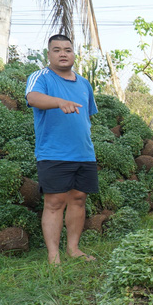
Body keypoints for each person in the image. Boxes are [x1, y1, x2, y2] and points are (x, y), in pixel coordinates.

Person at [25, 34, 99, 265]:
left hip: (84, 154)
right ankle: (53, 256)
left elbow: (87, 116)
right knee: (55, 202)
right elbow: (33, 98)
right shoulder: (41, 77)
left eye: (67, 49)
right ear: (49, 55)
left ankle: (73, 249)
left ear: (73, 54)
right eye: (57, 50)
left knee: (78, 199)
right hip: (54, 153)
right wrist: (58, 102)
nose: (63, 53)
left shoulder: (84, 83)